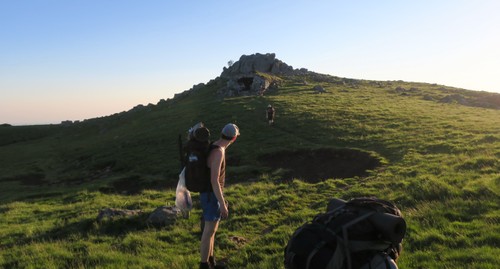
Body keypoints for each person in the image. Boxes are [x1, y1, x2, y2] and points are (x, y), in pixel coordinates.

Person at [199, 123, 240, 269]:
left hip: (210, 195)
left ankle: (211, 262)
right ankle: (204, 265)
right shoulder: (219, 152)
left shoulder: (215, 146)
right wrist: (222, 204)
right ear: (234, 138)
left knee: (211, 231)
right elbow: (214, 180)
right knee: (208, 231)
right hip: (211, 196)